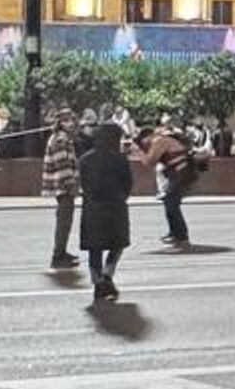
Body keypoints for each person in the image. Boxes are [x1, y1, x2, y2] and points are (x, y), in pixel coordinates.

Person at [78, 122, 134, 302]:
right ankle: (108, 274)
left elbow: (83, 183)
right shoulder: (120, 159)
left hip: (92, 207)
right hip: (115, 206)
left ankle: (97, 281)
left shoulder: (85, 159)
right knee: (118, 244)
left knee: (94, 248)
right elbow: (128, 183)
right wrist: (120, 197)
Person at [142, 121, 199, 246]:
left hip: (180, 174)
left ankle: (182, 236)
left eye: (144, 140)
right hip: (181, 174)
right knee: (170, 202)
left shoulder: (159, 141)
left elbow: (149, 162)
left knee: (171, 203)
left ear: (148, 136)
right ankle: (175, 233)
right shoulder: (164, 139)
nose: (144, 143)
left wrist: (139, 152)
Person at [43, 109, 80, 268]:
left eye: (72, 120)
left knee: (65, 221)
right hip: (63, 187)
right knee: (64, 222)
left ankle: (61, 252)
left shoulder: (64, 139)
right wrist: (72, 186)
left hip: (63, 187)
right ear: (60, 123)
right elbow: (62, 165)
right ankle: (58, 256)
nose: (70, 124)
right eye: (66, 121)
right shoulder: (60, 140)